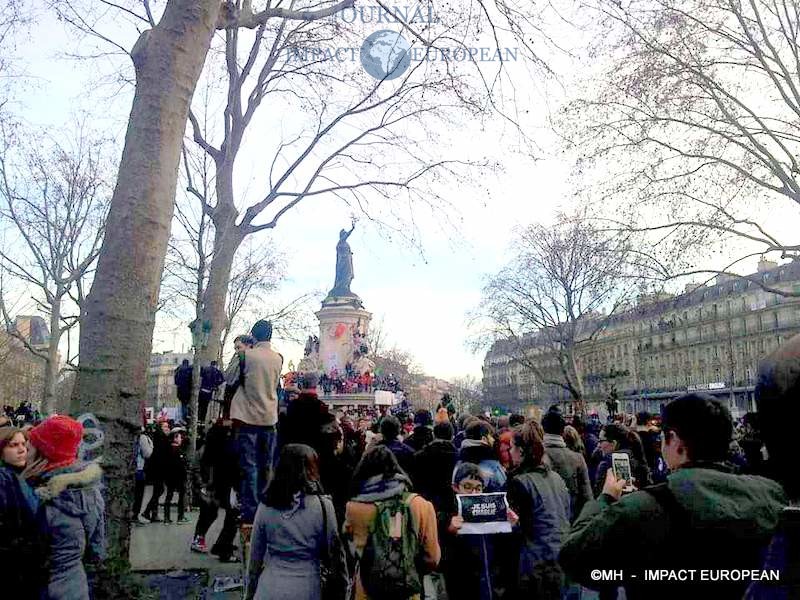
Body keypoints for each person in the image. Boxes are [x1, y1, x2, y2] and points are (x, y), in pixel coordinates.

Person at [560, 393, 786, 600]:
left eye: (663, 438)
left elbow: (573, 557)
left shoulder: (643, 507)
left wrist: (606, 498)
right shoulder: (772, 496)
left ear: (674, 440)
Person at [246, 444, 347, 600]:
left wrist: (250, 592)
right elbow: (336, 553)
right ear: (311, 470)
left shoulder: (266, 506)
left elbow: (255, 558)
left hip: (270, 587)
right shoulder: (323, 506)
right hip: (307, 587)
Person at [23, 415, 106, 600]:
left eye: (29, 447)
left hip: (43, 588)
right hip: (75, 586)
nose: (25, 451)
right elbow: (97, 549)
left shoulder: (40, 499)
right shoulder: (92, 492)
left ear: (42, 453)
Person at [343, 445, 440, 600]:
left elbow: (350, 551)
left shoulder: (353, 508)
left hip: (367, 589)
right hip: (407, 589)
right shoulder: (420, 505)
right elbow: (432, 558)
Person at [507, 420, 571, 600]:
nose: (509, 452)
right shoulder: (556, 478)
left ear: (520, 451)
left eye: (511, 447)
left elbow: (518, 530)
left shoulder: (519, 482)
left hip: (534, 565)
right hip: (560, 558)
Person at [231, 319, 284, 531]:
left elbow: (229, 378)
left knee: (250, 466)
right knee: (267, 466)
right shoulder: (278, 358)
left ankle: (251, 511)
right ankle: (266, 506)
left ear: (253, 335)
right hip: (269, 417)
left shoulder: (245, 356)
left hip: (247, 416)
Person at [442, 462, 519, 600]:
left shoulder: (493, 511)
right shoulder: (447, 515)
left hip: (492, 586)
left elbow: (506, 552)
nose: (473, 493)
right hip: (464, 589)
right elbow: (442, 559)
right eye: (467, 487)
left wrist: (511, 526)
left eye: (478, 488)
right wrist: (450, 531)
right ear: (455, 487)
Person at [0, 427, 49, 598]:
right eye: (13, 445)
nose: (22, 450)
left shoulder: (23, 476)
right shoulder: (4, 479)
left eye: (23, 444)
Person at [192, 419, 241, 561]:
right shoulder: (225, 448)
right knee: (229, 514)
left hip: (217, 484)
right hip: (221, 484)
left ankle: (205, 540)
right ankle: (222, 546)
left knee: (213, 513)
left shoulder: (212, 448)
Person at [541, 410, 592, 520]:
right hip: (571, 520)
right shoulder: (577, 458)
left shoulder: (536, 457)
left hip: (545, 522)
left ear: (543, 429)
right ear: (562, 430)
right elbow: (587, 497)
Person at [592, 423, 651, 497]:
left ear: (614, 443)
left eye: (601, 441)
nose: (598, 445)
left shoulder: (607, 465)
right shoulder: (638, 458)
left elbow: (599, 496)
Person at [456, 419, 506, 492]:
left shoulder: (459, 460)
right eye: (491, 436)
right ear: (484, 439)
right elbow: (503, 487)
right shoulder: (492, 464)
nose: (493, 440)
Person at [142, 417, 170, 522]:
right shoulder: (161, 437)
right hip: (159, 468)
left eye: (168, 426)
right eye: (165, 426)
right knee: (159, 490)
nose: (167, 428)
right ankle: (147, 511)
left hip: (158, 468)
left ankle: (153, 513)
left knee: (157, 490)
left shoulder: (162, 437)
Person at [164, 426, 189, 523]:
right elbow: (181, 465)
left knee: (169, 496)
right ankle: (180, 517)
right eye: (179, 437)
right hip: (178, 477)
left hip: (170, 477)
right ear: (175, 438)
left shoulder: (168, 449)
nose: (181, 439)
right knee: (181, 496)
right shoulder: (177, 450)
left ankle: (167, 518)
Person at [131, 424, 154, 523]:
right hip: (140, 469)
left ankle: (132, 514)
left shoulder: (132, 437)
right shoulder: (143, 438)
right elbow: (147, 453)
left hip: (132, 468)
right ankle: (135, 515)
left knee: (134, 493)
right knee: (138, 494)